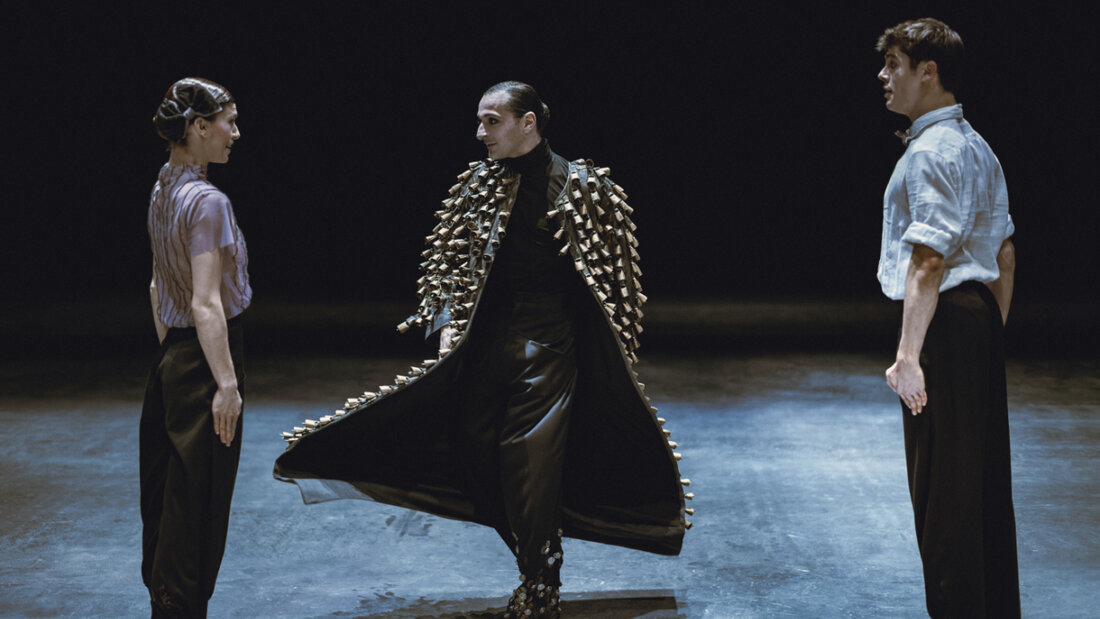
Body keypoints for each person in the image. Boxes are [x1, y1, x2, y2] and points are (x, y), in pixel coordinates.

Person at [275, 82, 688, 617]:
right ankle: (536, 554)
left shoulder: (585, 188)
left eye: (492, 121)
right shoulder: (477, 186)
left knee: (531, 464)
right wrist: (449, 324)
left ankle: (540, 582)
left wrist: (615, 357)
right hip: (486, 345)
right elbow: (448, 268)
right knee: (471, 451)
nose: (480, 133)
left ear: (529, 122)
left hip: (550, 346)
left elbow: (618, 280)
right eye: (480, 121)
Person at [875, 19, 1019, 617]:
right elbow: (1006, 253)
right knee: (981, 490)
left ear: (928, 72)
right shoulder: (975, 143)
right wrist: (986, 329)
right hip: (976, 318)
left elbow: (929, 260)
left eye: (895, 66)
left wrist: (910, 356)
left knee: (943, 500)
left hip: (947, 325)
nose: (883, 78)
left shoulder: (933, 151)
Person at [143, 77, 249, 618]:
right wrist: (225, 384)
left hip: (171, 360)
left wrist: (173, 355)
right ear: (199, 127)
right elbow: (207, 304)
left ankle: (166, 605)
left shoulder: (164, 186)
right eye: (227, 121)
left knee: (167, 497)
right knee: (198, 506)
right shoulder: (207, 202)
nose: (235, 132)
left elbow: (160, 286)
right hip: (203, 364)